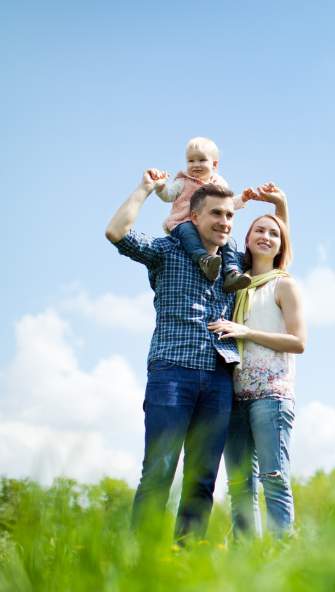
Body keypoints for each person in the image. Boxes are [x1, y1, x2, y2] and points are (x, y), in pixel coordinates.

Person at [105, 170, 286, 542]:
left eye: (229, 215)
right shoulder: (168, 250)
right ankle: (146, 559)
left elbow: (277, 249)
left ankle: (185, 557)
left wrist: (280, 206)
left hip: (219, 381)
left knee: (203, 478)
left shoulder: (235, 262)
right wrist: (142, 189)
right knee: (159, 469)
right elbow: (117, 233)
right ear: (194, 216)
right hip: (172, 373)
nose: (224, 222)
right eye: (216, 214)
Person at [208, 194, 306, 539]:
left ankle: (281, 560)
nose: (266, 236)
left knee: (274, 479)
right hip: (233, 397)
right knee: (238, 486)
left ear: (281, 244)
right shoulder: (236, 285)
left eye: (274, 233)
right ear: (246, 240)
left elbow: (299, 342)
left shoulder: (284, 284)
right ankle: (246, 565)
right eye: (258, 230)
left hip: (271, 396)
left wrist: (246, 331)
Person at [153, 137, 252, 292]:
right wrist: (160, 188)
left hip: (208, 228)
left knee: (229, 242)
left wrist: (243, 198)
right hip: (182, 222)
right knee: (188, 231)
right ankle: (204, 260)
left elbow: (228, 204)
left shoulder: (219, 183)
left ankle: (231, 272)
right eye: (191, 161)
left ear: (214, 164)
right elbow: (168, 195)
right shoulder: (183, 182)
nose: (196, 165)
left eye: (202, 160)